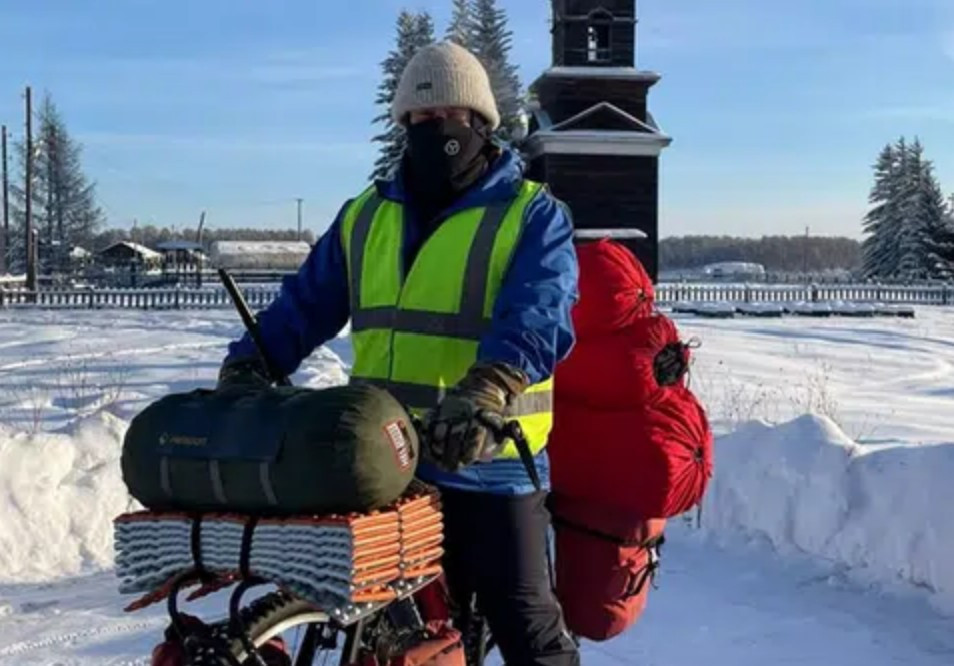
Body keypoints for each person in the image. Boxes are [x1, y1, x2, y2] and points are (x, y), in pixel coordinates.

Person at [219, 41, 580, 666]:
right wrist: (252, 363)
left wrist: (489, 388)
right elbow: (305, 304)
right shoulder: (366, 215)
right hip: (385, 460)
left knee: (527, 627)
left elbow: (539, 315)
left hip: (490, 463)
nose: (428, 129)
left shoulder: (532, 216)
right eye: (413, 119)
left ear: (479, 123)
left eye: (443, 115)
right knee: (377, 634)